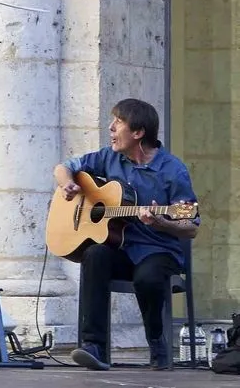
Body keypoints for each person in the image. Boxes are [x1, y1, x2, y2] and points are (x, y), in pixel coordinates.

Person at [56, 98, 199, 371]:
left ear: (138, 132)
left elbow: (191, 224)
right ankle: (94, 346)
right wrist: (67, 184)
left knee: (148, 278)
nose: (111, 128)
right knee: (94, 255)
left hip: (159, 250)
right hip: (120, 247)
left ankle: (156, 341)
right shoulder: (109, 157)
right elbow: (64, 167)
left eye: (118, 123)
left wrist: (162, 223)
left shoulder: (173, 170)